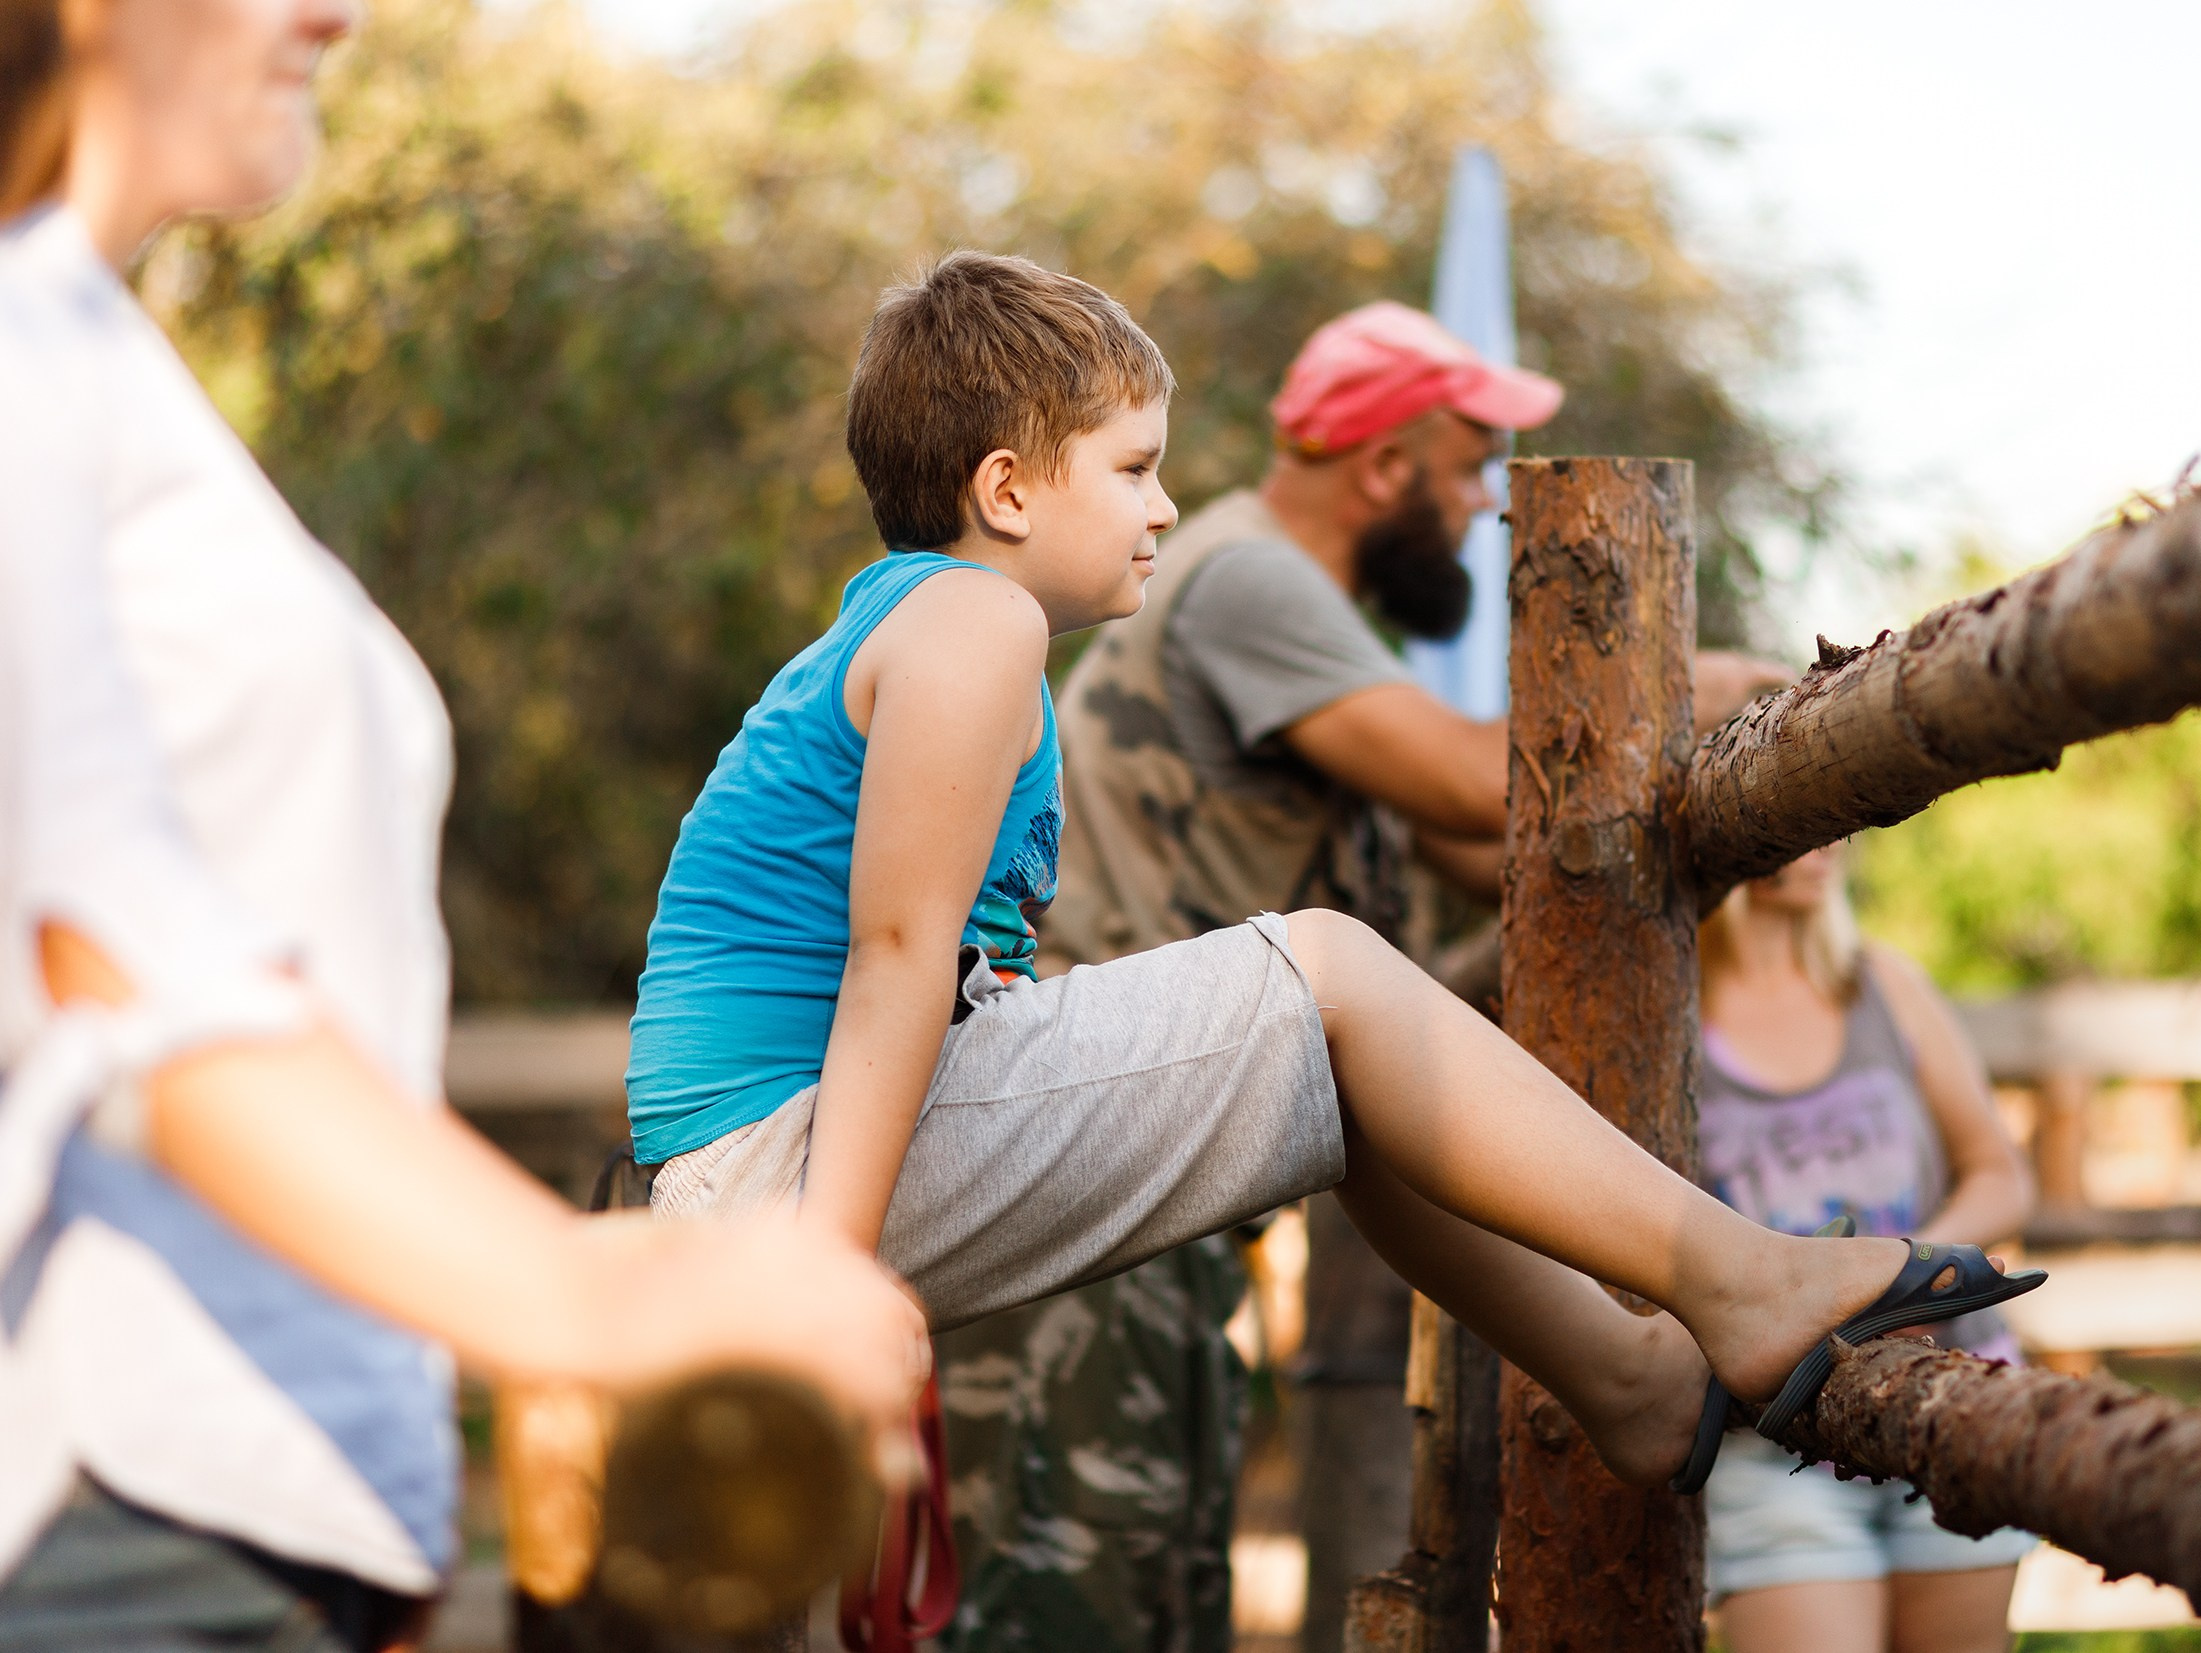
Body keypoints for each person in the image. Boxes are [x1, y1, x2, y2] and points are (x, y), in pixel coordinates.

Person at [624, 251, 2043, 1619]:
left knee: (1360, 1076)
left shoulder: (936, 627)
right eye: (1132, 468)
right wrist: (833, 1278)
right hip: (784, 1169)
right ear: (1004, 489)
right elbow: (892, 953)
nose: (1167, 506)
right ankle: (1735, 1277)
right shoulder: (972, 623)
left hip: (783, 1154)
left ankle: (1630, 1378)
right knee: (1332, 971)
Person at [0, 5, 923, 1646]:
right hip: (115, 1494)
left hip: (287, 1501)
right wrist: (578, 1293)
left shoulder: (98, 357)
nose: (334, 14)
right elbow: (118, 943)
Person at [944, 297, 1786, 1653]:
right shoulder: (1248, 578)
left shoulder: (1323, 647)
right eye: (1465, 474)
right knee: (1070, 1610)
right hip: (1084, 1166)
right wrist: (1693, 691)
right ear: (1387, 468)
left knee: (1158, 1599)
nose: (1482, 513)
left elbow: (1496, 862)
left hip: (1141, 1184)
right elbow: (1473, 777)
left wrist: (1721, 823)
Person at [1694, 842, 2039, 1653]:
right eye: (1804, 828)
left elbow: (2000, 1171)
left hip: (1955, 1384)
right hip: (1773, 1436)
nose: (1831, 843)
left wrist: (1902, 1272)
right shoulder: (1675, 1012)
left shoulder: (1887, 984)